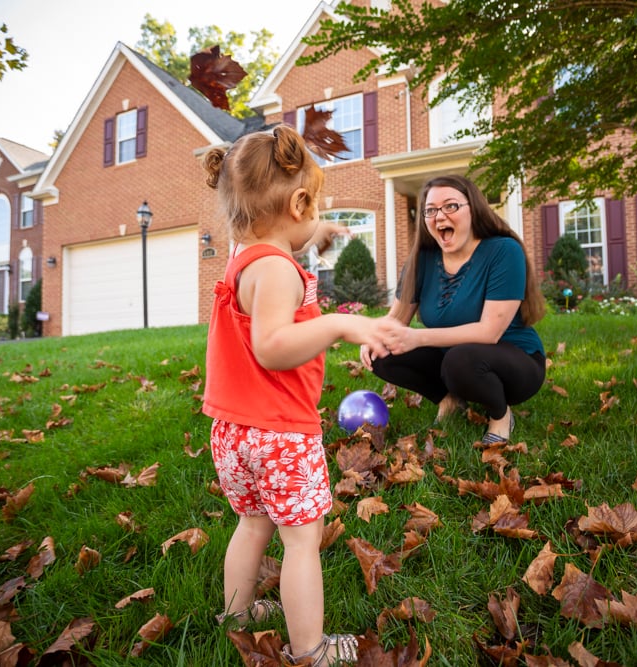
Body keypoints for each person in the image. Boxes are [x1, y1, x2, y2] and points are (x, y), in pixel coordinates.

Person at [201, 124, 396, 666]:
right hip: (280, 432)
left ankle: (235, 617)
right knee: (301, 542)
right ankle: (310, 650)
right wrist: (338, 325)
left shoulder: (246, 255)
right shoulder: (279, 271)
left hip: (234, 431)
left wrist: (320, 226)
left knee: (253, 523)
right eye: (315, 207)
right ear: (298, 202)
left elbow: (278, 230)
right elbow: (272, 346)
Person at [363, 174, 547, 444]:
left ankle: (500, 414)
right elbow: (396, 319)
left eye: (450, 206)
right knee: (382, 351)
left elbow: (489, 333)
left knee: (460, 360)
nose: (439, 216)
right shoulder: (422, 260)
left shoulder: (503, 251)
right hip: (455, 360)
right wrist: (373, 335)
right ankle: (449, 399)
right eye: (431, 210)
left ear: (474, 209)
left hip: (514, 362)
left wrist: (418, 337)